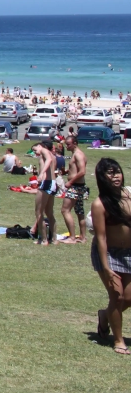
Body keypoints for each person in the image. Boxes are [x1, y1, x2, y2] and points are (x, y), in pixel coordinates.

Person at [90, 158, 131, 355]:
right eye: (110, 173)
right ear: (102, 177)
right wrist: (106, 268)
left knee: (129, 297)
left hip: (129, 253)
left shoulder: (129, 195)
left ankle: (104, 316)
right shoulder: (100, 204)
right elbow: (101, 237)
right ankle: (118, 340)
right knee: (117, 295)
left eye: (117, 172)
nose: (115, 176)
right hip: (108, 253)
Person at [61, 135, 89, 244]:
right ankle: (82, 237)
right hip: (79, 186)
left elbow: (82, 171)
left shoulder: (78, 154)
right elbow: (75, 169)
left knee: (65, 210)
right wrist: (66, 172)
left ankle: (72, 237)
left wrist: (70, 182)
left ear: (75, 143)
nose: (66, 146)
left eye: (68, 144)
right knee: (79, 211)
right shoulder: (75, 154)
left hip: (75, 186)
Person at [32, 140, 59, 245]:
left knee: (39, 212)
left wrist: (42, 173)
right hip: (53, 183)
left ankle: (43, 239)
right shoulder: (53, 155)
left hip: (46, 183)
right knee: (49, 213)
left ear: (40, 145)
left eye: (35, 150)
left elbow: (48, 161)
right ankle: (54, 239)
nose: (35, 152)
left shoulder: (44, 150)